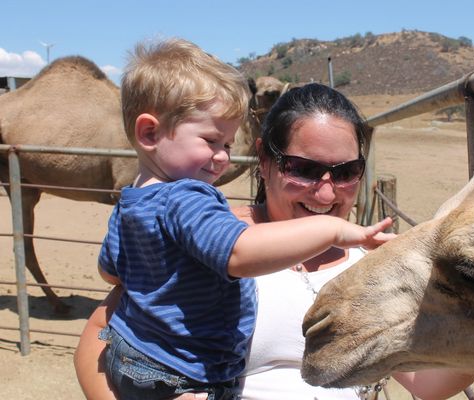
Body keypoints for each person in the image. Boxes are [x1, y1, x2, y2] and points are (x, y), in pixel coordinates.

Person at [75, 82, 474, 400]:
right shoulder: (208, 238)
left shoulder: (369, 261)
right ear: (265, 161)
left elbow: (423, 383)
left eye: (347, 171)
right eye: (303, 168)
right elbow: (99, 336)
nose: (325, 194)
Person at [92, 39, 393, 400]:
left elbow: (110, 269)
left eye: (229, 145)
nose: (222, 158)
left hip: (131, 360)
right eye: (211, 141)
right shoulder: (187, 198)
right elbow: (239, 254)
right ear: (149, 133)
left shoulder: (131, 200)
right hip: (180, 376)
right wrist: (334, 229)